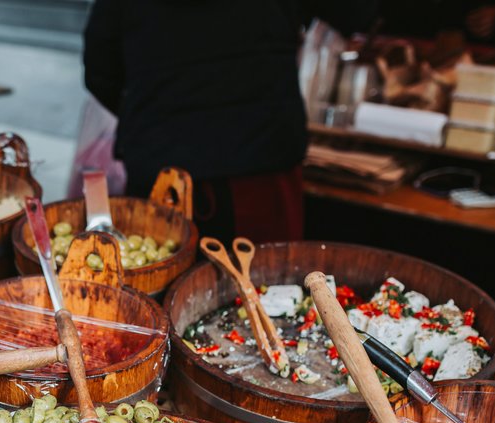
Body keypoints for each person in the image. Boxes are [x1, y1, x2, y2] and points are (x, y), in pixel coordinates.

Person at [84, 0, 377, 244]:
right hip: (256, 159)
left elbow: (100, 70)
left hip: (171, 156)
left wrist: (158, 117)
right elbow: (358, 14)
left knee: (157, 292)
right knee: (267, 292)